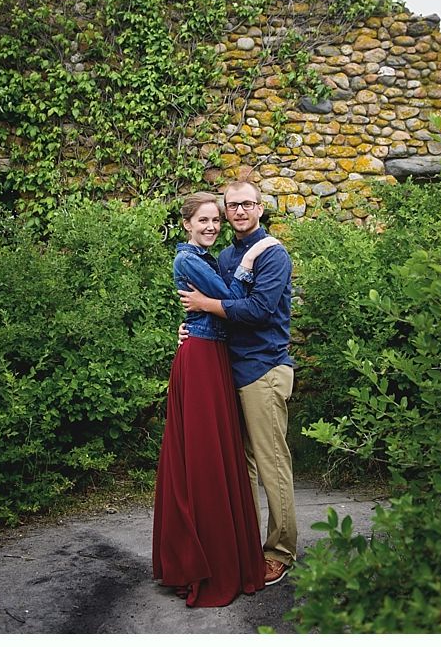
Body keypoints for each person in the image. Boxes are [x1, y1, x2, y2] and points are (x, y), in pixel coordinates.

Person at [152, 191, 278, 607]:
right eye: (203, 220)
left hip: (213, 356)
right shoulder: (189, 259)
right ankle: (206, 560)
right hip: (203, 358)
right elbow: (233, 297)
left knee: (219, 456)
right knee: (205, 457)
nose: (210, 226)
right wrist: (251, 257)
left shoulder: (204, 258)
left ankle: (234, 552)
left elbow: (215, 305)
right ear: (186, 223)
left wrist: (197, 315)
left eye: (215, 221)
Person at [177, 180, 297, 586]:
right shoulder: (226, 255)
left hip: (263, 369)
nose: (239, 211)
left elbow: (259, 310)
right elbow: (214, 311)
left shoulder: (273, 254)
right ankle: (246, 545)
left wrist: (206, 306)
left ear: (260, 208)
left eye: (247, 204)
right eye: (233, 206)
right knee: (239, 468)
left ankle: (280, 551)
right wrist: (191, 324)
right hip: (227, 371)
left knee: (271, 465)